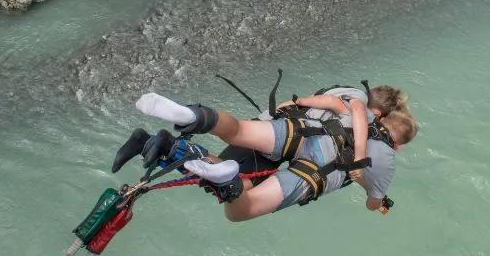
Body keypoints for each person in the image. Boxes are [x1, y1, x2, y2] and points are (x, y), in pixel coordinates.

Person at [112, 86, 418, 222]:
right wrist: (373, 193)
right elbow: (372, 202)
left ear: (383, 118)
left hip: (300, 128)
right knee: (240, 209)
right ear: (400, 145)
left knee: (239, 131)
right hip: (317, 170)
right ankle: (227, 182)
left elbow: (337, 105)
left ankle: (192, 116)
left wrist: (292, 101)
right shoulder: (387, 160)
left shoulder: (358, 106)